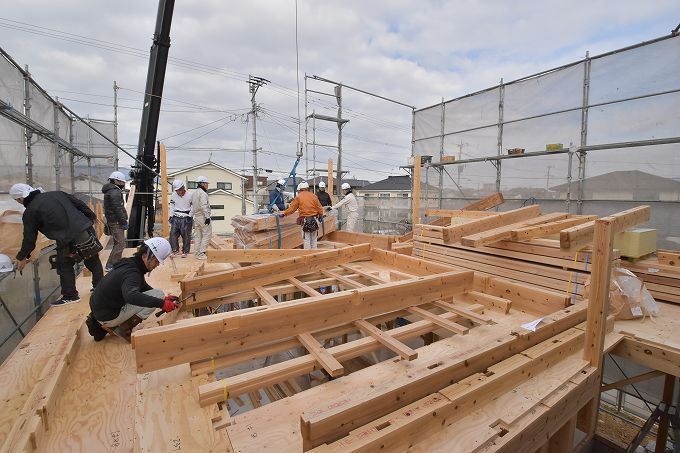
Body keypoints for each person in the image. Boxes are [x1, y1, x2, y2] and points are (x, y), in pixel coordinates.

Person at [10, 183, 104, 305]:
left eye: (17, 201)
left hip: (68, 238)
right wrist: (92, 216)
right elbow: (79, 204)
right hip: (85, 230)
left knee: (64, 265)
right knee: (93, 260)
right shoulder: (57, 194)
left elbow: (29, 239)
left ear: (20, 198)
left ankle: (70, 296)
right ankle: (100, 288)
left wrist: (22, 256)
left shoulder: (30, 211)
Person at [86, 237, 179, 342]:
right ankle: (123, 329)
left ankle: (113, 324)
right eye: (156, 261)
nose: (157, 265)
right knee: (157, 295)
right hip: (108, 316)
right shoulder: (132, 274)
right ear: (145, 256)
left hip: (101, 311)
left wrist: (164, 300)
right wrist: (162, 303)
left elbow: (142, 286)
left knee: (158, 295)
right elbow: (131, 296)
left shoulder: (131, 264)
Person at [278, 182, 324, 249]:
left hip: (305, 221)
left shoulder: (299, 197)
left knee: (306, 240)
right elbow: (319, 207)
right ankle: (314, 255)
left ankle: (308, 256)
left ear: (300, 189)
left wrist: (284, 213)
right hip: (314, 220)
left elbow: (292, 208)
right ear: (307, 188)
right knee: (314, 239)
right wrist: (321, 216)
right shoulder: (314, 196)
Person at [102, 171, 128, 271]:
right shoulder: (115, 192)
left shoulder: (110, 190)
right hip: (116, 222)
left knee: (117, 243)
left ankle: (116, 263)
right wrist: (123, 222)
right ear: (116, 181)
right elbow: (118, 208)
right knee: (121, 243)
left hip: (113, 220)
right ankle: (110, 265)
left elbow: (118, 207)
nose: (123, 184)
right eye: (121, 182)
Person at [169, 180, 192, 257]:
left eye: (179, 190)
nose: (178, 192)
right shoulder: (173, 195)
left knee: (186, 235)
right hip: (176, 217)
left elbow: (193, 207)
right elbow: (172, 206)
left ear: (183, 188)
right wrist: (171, 216)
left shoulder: (190, 195)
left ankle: (185, 251)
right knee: (173, 235)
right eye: (176, 191)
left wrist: (190, 216)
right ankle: (174, 250)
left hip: (186, 217)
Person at [192, 176, 211, 260]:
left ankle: (196, 253)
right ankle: (202, 253)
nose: (207, 185)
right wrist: (207, 217)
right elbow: (204, 205)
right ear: (202, 184)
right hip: (203, 216)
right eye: (206, 184)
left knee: (198, 235)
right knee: (207, 234)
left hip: (196, 217)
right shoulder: (203, 193)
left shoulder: (195, 193)